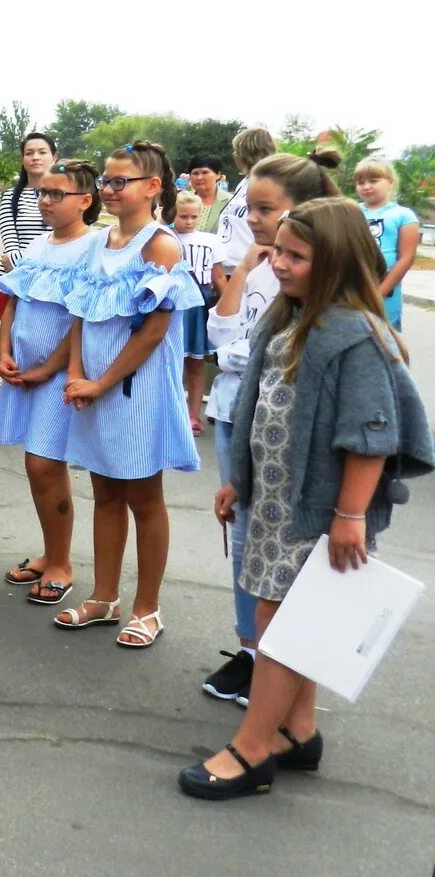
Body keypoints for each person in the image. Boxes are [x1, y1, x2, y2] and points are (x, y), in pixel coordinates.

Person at [180, 198, 432, 799]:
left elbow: (371, 436)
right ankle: (298, 730)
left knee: (283, 626)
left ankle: (252, 749)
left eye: (297, 256)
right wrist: (237, 480)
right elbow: (262, 409)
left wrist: (348, 516)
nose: (281, 264)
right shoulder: (296, 319)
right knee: (296, 618)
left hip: (317, 511)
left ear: (338, 264)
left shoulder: (355, 336)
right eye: (280, 252)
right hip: (273, 504)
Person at [200, 149, 341, 704]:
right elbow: (221, 335)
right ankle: (251, 650)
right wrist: (244, 270)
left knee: (283, 543)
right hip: (235, 409)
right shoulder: (259, 263)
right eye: (251, 209)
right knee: (244, 536)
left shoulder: (316, 278)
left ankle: (284, 663)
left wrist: (240, 353)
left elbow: (272, 355)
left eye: (266, 208)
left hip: (283, 422)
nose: (253, 219)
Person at [53, 141, 200, 647]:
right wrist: (76, 373)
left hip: (135, 392)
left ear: (153, 187)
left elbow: (153, 333)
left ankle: (147, 608)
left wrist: (100, 381)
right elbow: (80, 312)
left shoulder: (160, 246)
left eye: (120, 182)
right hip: (94, 388)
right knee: (105, 492)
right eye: (106, 182)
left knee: (144, 497)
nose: (108, 190)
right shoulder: (99, 242)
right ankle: (104, 597)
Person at [0, 159, 100, 605]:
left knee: (45, 465)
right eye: (43, 193)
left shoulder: (91, 250)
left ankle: (62, 564)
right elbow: (12, 305)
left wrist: (47, 369)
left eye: (58, 194)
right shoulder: (36, 247)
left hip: (55, 380)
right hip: (25, 377)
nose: (46, 201)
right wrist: (3, 351)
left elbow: (77, 322)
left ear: (86, 201)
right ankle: (50, 551)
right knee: (36, 468)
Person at [171, 190, 225, 435]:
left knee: (195, 362)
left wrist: (226, 307)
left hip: (198, 304)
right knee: (171, 361)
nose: (189, 221)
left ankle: (193, 415)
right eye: (183, 216)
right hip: (172, 303)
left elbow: (218, 277)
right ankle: (171, 413)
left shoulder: (211, 241)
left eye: (194, 216)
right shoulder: (166, 236)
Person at [0, 132, 59, 317]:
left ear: (54, 158)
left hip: (48, 287)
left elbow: (59, 244)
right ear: (22, 159)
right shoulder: (10, 196)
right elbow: (10, 245)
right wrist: (26, 269)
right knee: (10, 343)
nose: (35, 157)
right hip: (10, 283)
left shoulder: (63, 196)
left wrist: (31, 270)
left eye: (42, 152)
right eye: (29, 153)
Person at [354, 156, 419, 331]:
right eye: (361, 182)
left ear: (390, 182)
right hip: (352, 287)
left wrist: (380, 292)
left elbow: (407, 258)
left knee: (384, 340)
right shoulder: (351, 211)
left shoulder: (404, 215)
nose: (366, 186)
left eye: (373, 181)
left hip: (385, 290)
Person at [214, 127, 277, 276]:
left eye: (237, 150)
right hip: (227, 270)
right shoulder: (245, 182)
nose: (233, 155)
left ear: (248, 153)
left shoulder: (268, 183)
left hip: (250, 272)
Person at [186, 153, 232, 233]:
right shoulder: (180, 200)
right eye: (195, 173)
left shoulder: (231, 202)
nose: (199, 177)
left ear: (218, 175)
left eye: (205, 172)